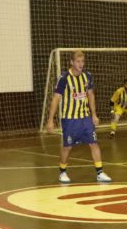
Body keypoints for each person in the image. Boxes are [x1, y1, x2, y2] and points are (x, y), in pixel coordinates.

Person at [45, 51, 112, 183]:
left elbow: (91, 95)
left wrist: (94, 114)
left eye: (82, 61)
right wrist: (50, 120)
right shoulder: (64, 78)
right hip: (70, 119)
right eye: (78, 61)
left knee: (93, 143)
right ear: (72, 62)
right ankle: (62, 172)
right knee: (67, 147)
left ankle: (100, 172)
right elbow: (56, 99)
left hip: (85, 118)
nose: (81, 64)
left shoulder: (87, 76)